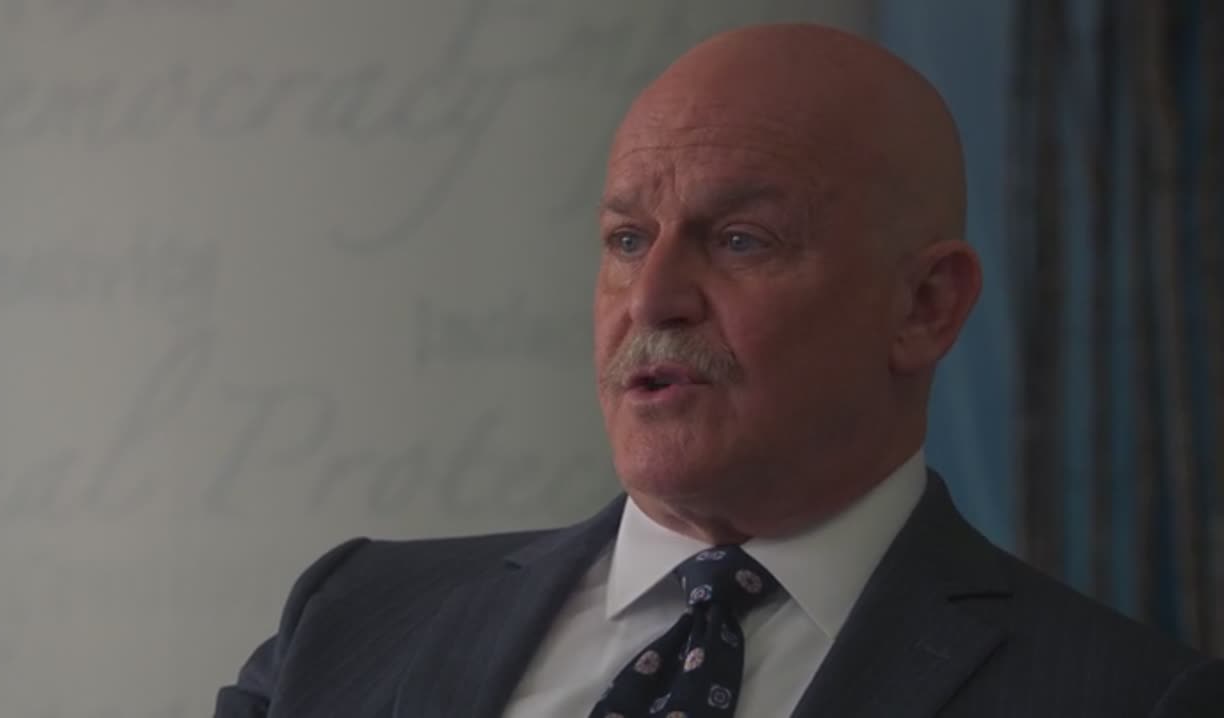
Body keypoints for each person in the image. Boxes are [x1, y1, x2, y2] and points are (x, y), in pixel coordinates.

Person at [214, 23, 1223, 718]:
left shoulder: (1129, 698)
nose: (652, 299)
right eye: (626, 239)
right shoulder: (349, 617)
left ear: (924, 306)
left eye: (740, 240)